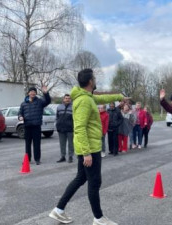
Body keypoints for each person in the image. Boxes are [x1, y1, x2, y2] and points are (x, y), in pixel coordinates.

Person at [49, 68, 125, 225]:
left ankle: (58, 210)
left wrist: (119, 97)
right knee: (94, 182)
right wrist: (86, 153)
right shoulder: (84, 101)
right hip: (90, 148)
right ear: (90, 81)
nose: (96, 80)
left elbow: (103, 98)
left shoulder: (87, 96)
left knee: (80, 178)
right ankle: (98, 218)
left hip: (89, 146)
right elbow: (80, 128)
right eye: (95, 78)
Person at [18, 86, 51, 165]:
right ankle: (27, 159)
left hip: (36, 126)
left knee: (37, 144)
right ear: (28, 93)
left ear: (36, 93)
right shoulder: (23, 104)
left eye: (34, 91)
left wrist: (46, 93)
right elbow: (20, 112)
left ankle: (37, 159)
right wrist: (20, 116)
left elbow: (48, 101)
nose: (33, 93)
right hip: (27, 126)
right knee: (27, 144)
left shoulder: (40, 102)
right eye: (31, 91)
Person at [56, 94, 74, 163]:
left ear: (70, 100)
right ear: (63, 99)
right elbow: (57, 117)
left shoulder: (73, 107)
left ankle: (70, 156)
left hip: (70, 128)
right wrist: (57, 125)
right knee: (62, 143)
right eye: (66, 98)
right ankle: (62, 156)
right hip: (61, 128)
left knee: (71, 144)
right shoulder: (59, 107)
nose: (67, 99)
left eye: (69, 98)